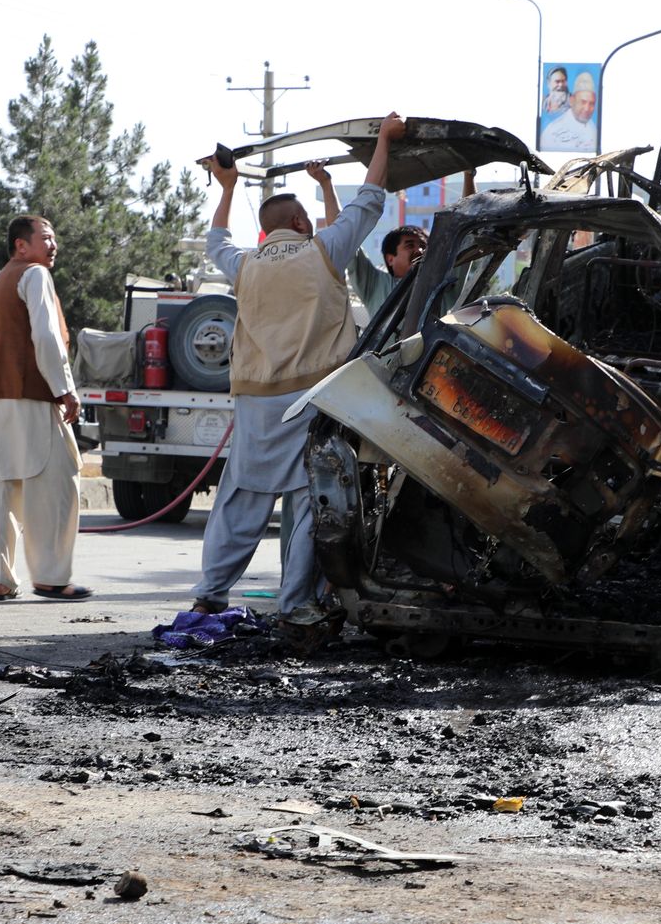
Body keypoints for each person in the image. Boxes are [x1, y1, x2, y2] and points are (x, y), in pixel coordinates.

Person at [193, 112, 403, 616]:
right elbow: (369, 198)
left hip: (255, 404)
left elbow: (215, 239)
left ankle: (209, 596)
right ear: (302, 223)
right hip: (313, 401)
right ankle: (296, 605)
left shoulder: (244, 265)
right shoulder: (324, 251)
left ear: (266, 231)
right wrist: (386, 142)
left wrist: (226, 186)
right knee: (312, 502)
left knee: (240, 498)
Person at [0, 215, 90, 601]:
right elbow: (45, 337)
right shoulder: (35, 275)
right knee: (56, 482)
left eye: (54, 238)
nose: (53, 245)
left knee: (3, 489)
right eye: (46, 238)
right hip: (30, 395)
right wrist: (65, 389)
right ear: (21, 245)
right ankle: (50, 577)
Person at [318, 160, 475, 318]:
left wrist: (469, 174)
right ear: (390, 259)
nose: (419, 250)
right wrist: (326, 183)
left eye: (423, 246)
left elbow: (467, 228)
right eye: (409, 245)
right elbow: (343, 234)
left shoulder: (442, 286)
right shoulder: (375, 285)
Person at [539, 72, 598, 152]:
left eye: (591, 103)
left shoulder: (593, 129)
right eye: (583, 102)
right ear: (571, 100)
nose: (587, 108)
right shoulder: (552, 132)